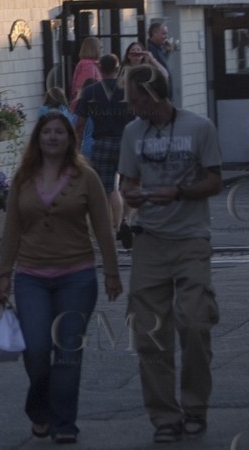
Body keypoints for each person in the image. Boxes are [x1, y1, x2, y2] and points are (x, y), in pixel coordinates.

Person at [0, 112, 121, 445]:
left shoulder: (86, 177)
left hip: (76, 277)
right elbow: (11, 230)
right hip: (31, 277)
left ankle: (65, 422)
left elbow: (103, 228)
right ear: (38, 138)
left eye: (59, 132)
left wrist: (111, 271)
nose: (52, 137)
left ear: (70, 139)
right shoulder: (23, 178)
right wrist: (4, 274)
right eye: (47, 132)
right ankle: (40, 409)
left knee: (67, 352)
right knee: (36, 350)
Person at [117, 61, 222, 443]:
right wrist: (129, 193)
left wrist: (178, 192)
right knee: (150, 333)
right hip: (149, 240)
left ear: (154, 95)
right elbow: (127, 181)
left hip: (191, 238)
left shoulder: (199, 127)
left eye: (135, 100)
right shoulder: (133, 132)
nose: (131, 108)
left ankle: (195, 406)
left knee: (194, 323)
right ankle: (164, 416)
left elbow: (214, 180)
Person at [75, 54, 135, 248]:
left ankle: (107, 230)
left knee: (105, 189)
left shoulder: (90, 91)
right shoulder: (126, 90)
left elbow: (81, 124)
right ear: (117, 68)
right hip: (125, 141)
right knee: (128, 185)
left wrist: (76, 147)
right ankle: (124, 222)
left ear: (100, 68)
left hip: (101, 143)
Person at [68, 36, 102, 113]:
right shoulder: (87, 66)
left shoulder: (91, 65)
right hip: (86, 109)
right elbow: (85, 88)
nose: (101, 50)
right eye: (99, 47)